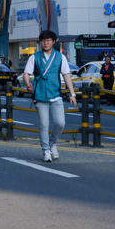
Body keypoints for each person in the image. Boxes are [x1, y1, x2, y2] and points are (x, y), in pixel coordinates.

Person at [23, 30, 77, 163]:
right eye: (43, 40)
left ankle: (53, 143)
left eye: (48, 40)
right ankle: (46, 150)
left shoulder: (60, 57)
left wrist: (72, 93)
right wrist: (28, 84)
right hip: (40, 94)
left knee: (60, 123)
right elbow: (26, 73)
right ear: (40, 42)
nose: (45, 43)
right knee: (44, 125)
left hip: (55, 94)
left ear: (53, 42)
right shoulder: (34, 57)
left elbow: (66, 75)